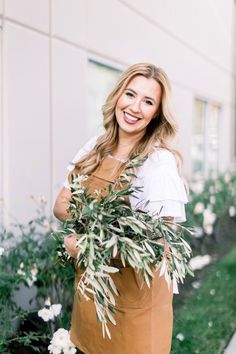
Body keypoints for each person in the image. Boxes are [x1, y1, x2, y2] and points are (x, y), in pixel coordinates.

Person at [53, 63, 188, 354]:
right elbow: (61, 204)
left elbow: (161, 244)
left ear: (156, 114)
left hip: (137, 304)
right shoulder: (95, 147)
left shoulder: (158, 163)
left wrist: (90, 244)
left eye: (148, 102)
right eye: (130, 94)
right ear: (118, 96)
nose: (135, 107)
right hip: (94, 294)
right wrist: (97, 223)